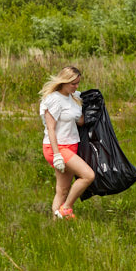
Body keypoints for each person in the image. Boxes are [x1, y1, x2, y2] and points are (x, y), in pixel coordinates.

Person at [38, 65, 95, 219]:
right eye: (73, 83)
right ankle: (66, 208)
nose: (76, 86)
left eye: (78, 83)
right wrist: (57, 155)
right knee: (88, 175)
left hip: (71, 145)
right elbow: (51, 129)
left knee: (62, 190)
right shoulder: (53, 100)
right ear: (63, 81)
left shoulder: (73, 97)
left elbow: (80, 122)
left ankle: (56, 224)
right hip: (56, 148)